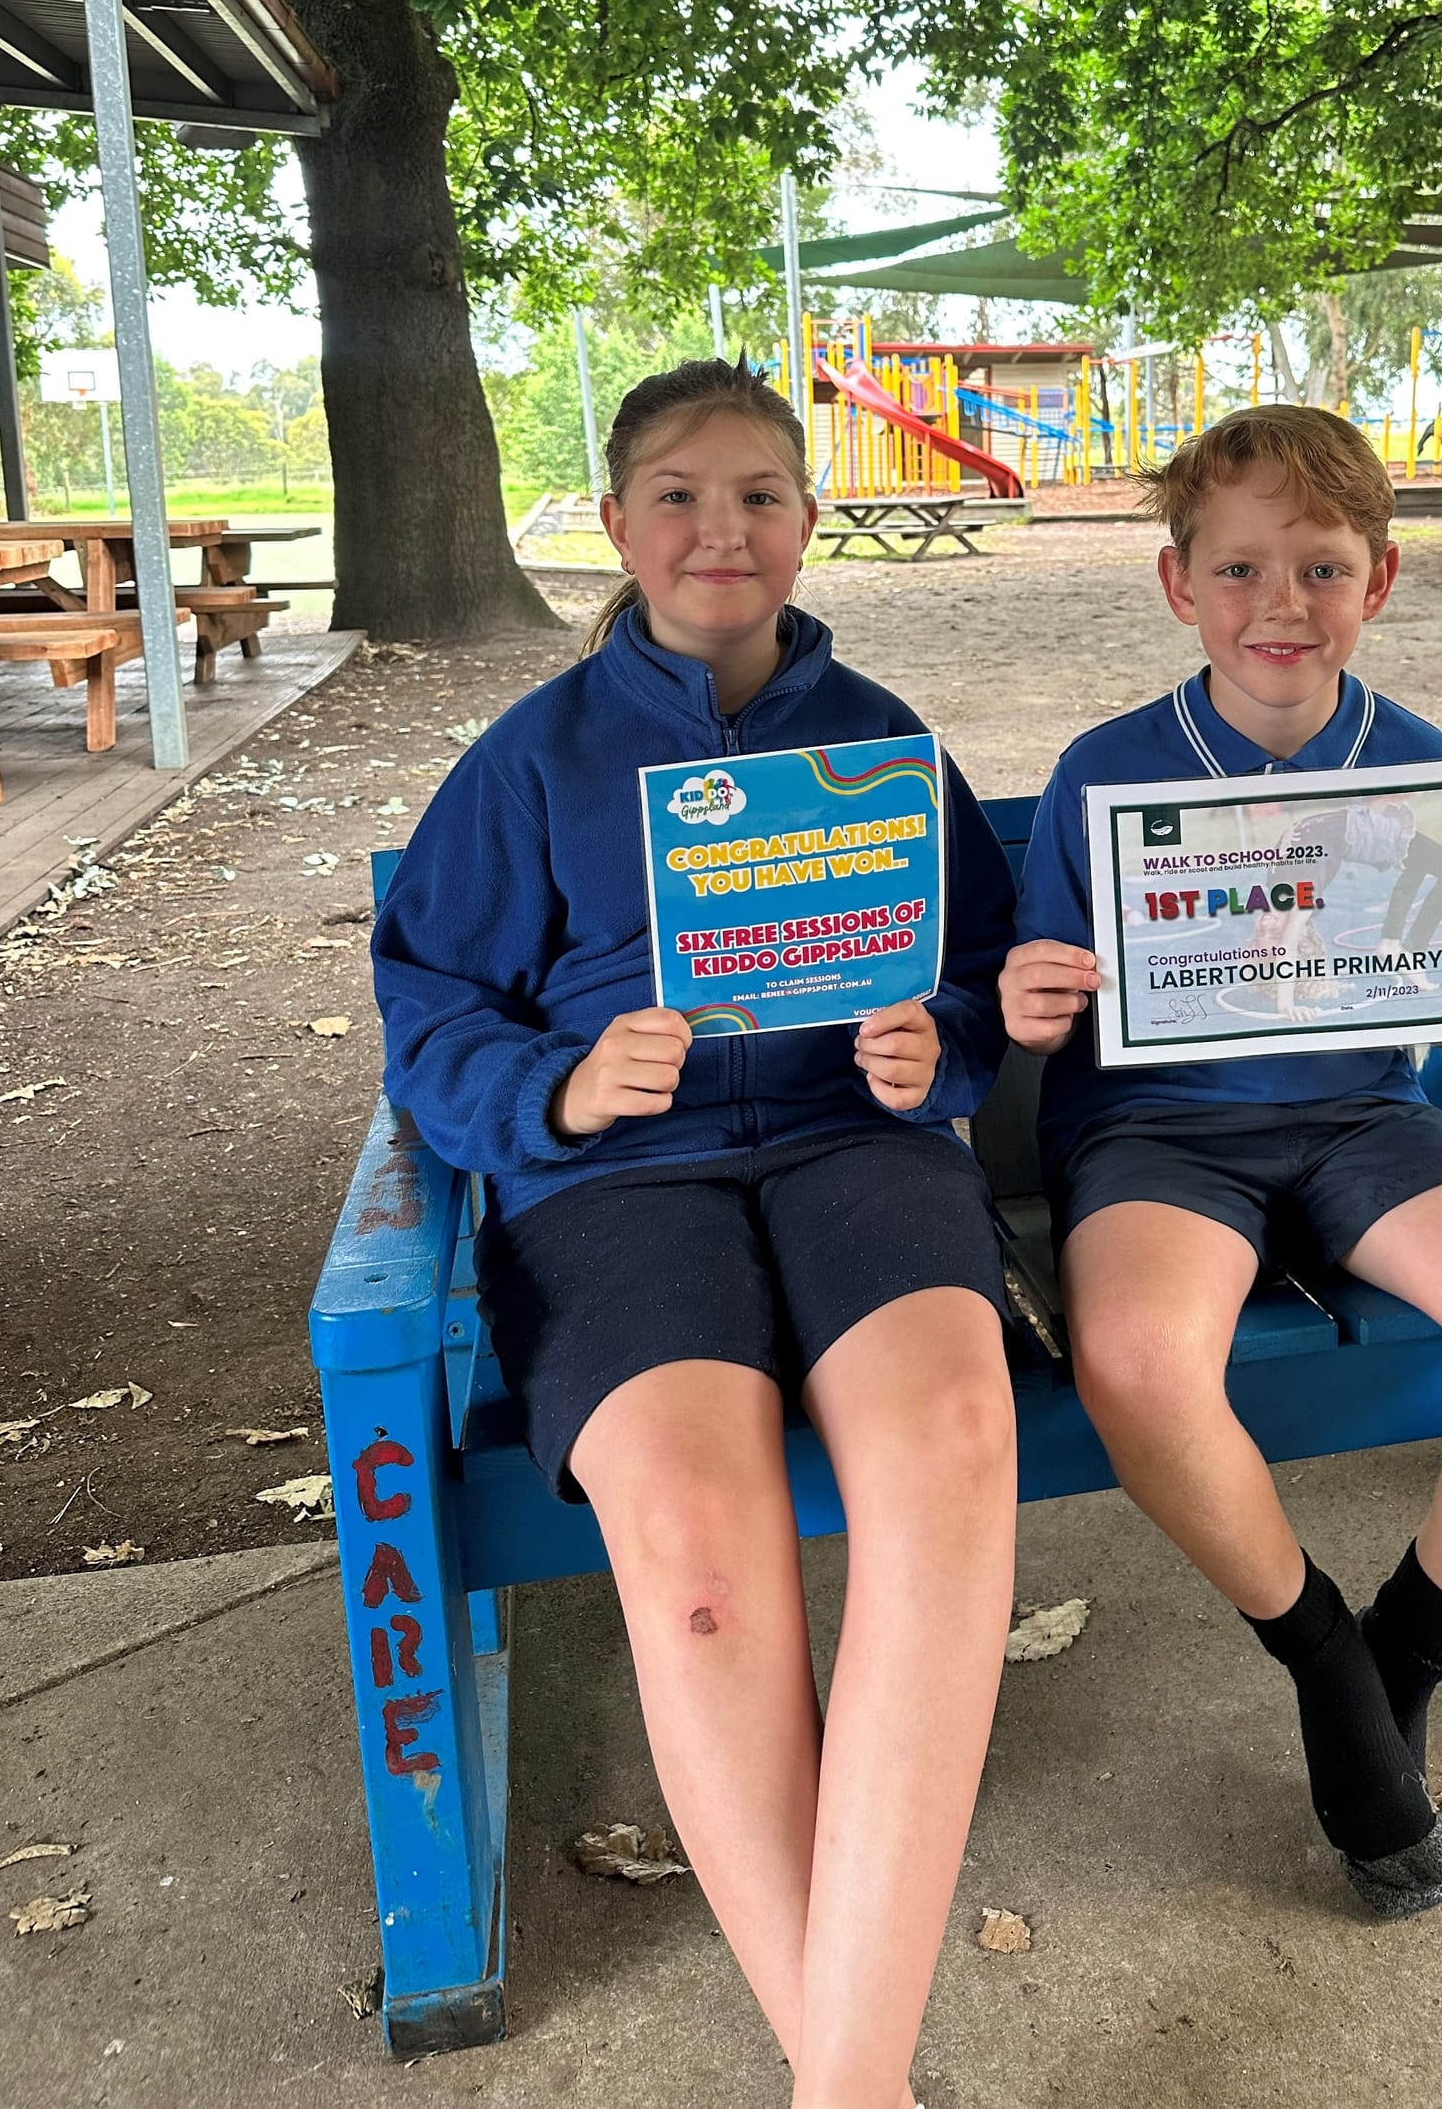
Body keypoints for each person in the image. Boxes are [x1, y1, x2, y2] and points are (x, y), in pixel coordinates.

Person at [374, 359, 1019, 2109]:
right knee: (704, 1557)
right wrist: (564, 1094)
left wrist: (937, 1042)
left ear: (811, 525)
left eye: (759, 495)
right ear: (617, 524)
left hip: (854, 1154)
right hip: (619, 1187)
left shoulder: (882, 748)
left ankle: (837, 2084)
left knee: (957, 1454)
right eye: (678, 492)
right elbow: (428, 1016)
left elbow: (977, 974)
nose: (719, 528)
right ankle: (855, 2077)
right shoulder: (531, 761)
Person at [1001, 405, 1442, 1918]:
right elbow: (1028, 995)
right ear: (1178, 587)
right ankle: (1318, 1657)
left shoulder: (1416, 765)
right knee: (1145, 1365)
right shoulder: (1108, 770)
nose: (1278, 606)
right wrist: (1028, 1000)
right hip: (1160, 1134)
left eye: (1320, 568)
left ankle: (1398, 1659)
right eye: (1236, 571)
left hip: (1368, 1120)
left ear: (1382, 579)